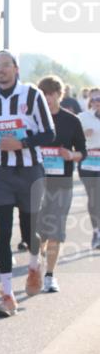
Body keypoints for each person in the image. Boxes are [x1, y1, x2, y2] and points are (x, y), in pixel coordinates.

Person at [0, 50, 55, 317]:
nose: (0, 70)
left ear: (15, 68)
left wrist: (22, 143)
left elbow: (49, 132)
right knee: (4, 233)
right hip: (0, 171)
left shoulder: (32, 95)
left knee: (31, 229)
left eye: (5, 65)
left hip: (30, 169)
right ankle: (8, 295)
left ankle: (34, 265)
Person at [36, 75, 87, 293]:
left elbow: (82, 153)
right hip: (36, 182)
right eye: (43, 94)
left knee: (56, 230)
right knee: (38, 233)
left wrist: (70, 155)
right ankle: (37, 264)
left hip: (62, 182)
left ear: (59, 94)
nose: (47, 98)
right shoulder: (34, 119)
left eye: (51, 94)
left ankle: (49, 275)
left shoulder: (71, 121)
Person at [77, 88, 100, 250]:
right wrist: (83, 134)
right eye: (94, 99)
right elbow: (73, 137)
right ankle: (97, 232)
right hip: (88, 162)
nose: (96, 102)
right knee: (94, 197)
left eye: (99, 99)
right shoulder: (83, 117)